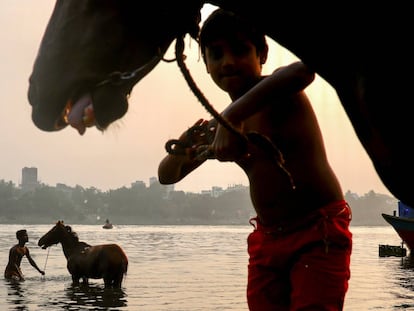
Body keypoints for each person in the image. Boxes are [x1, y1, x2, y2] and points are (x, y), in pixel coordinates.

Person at [158, 8, 352, 311]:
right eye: (216, 54)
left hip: (318, 232)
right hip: (267, 241)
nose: (228, 62)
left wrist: (232, 115)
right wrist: (183, 147)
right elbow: (167, 175)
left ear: (261, 53)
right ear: (205, 63)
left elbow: (304, 71)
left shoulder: (278, 90)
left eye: (240, 50)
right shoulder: (217, 127)